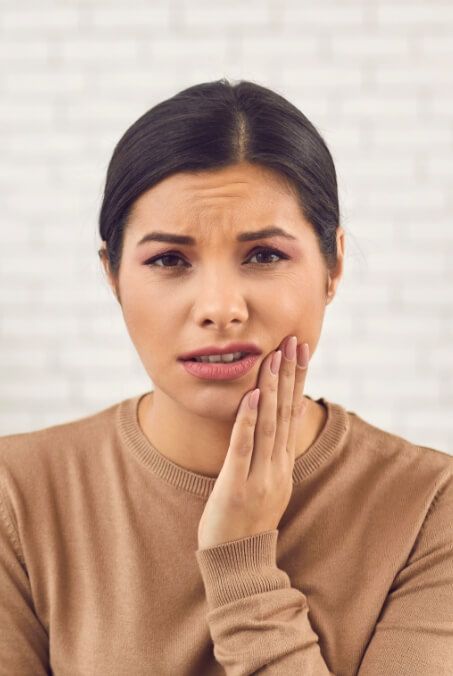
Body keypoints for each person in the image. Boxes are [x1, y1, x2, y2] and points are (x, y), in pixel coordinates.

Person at [0, 78, 451, 676]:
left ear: (333, 264)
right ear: (112, 275)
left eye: (264, 255)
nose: (220, 307)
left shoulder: (430, 508)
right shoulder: (18, 496)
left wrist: (241, 565)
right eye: (168, 260)